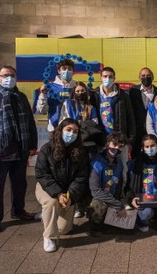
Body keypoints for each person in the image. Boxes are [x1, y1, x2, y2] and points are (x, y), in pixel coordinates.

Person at [0, 65, 38, 234]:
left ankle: (18, 211)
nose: (9, 78)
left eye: (12, 75)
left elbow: (30, 123)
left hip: (21, 150)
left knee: (20, 184)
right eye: (5, 75)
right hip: (0, 152)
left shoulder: (21, 97)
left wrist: (32, 145)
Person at [35, 118, 89, 252]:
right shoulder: (47, 149)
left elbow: (81, 178)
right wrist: (58, 193)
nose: (72, 134)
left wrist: (71, 196)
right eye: (68, 130)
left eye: (75, 131)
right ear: (60, 130)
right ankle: (49, 237)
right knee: (52, 202)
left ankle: (48, 215)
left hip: (68, 191)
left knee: (64, 230)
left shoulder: (81, 151)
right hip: (47, 188)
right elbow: (42, 174)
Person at [89, 66, 135, 189]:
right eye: (105, 76)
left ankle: (123, 194)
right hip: (102, 141)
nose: (107, 79)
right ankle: (102, 196)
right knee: (100, 168)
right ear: (101, 78)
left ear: (114, 78)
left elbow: (130, 118)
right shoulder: (94, 95)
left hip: (120, 141)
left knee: (122, 168)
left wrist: (129, 140)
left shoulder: (123, 96)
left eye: (110, 77)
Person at [59, 81, 100, 218]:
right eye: (77, 91)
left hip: (89, 146)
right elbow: (64, 123)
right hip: (72, 145)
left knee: (88, 175)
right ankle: (75, 205)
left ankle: (86, 204)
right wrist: (82, 124)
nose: (80, 93)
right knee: (74, 176)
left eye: (82, 91)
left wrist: (78, 124)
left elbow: (95, 124)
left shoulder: (91, 107)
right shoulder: (67, 104)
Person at [127, 134, 157, 234]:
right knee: (146, 213)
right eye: (147, 146)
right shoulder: (135, 164)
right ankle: (142, 221)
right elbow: (128, 187)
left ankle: (156, 218)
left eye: (152, 146)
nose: (150, 149)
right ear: (142, 148)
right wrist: (131, 199)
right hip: (143, 201)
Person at [88, 132, 127, 233]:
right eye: (114, 145)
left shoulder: (119, 163)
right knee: (98, 205)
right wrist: (118, 205)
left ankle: (109, 222)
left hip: (112, 196)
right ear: (107, 145)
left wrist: (119, 202)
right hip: (98, 197)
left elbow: (118, 186)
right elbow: (95, 191)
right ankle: (95, 227)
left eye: (121, 146)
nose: (117, 149)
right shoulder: (97, 163)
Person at [36, 58, 76, 131]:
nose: (67, 71)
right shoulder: (50, 87)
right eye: (64, 68)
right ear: (59, 71)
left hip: (74, 129)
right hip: (55, 129)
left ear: (73, 71)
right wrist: (43, 94)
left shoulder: (77, 87)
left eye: (70, 69)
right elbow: (42, 111)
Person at [129, 67, 157, 159]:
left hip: (153, 129)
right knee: (136, 156)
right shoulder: (132, 91)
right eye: (143, 76)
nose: (146, 78)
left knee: (152, 155)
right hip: (137, 130)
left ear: (153, 77)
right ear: (139, 78)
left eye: (148, 75)